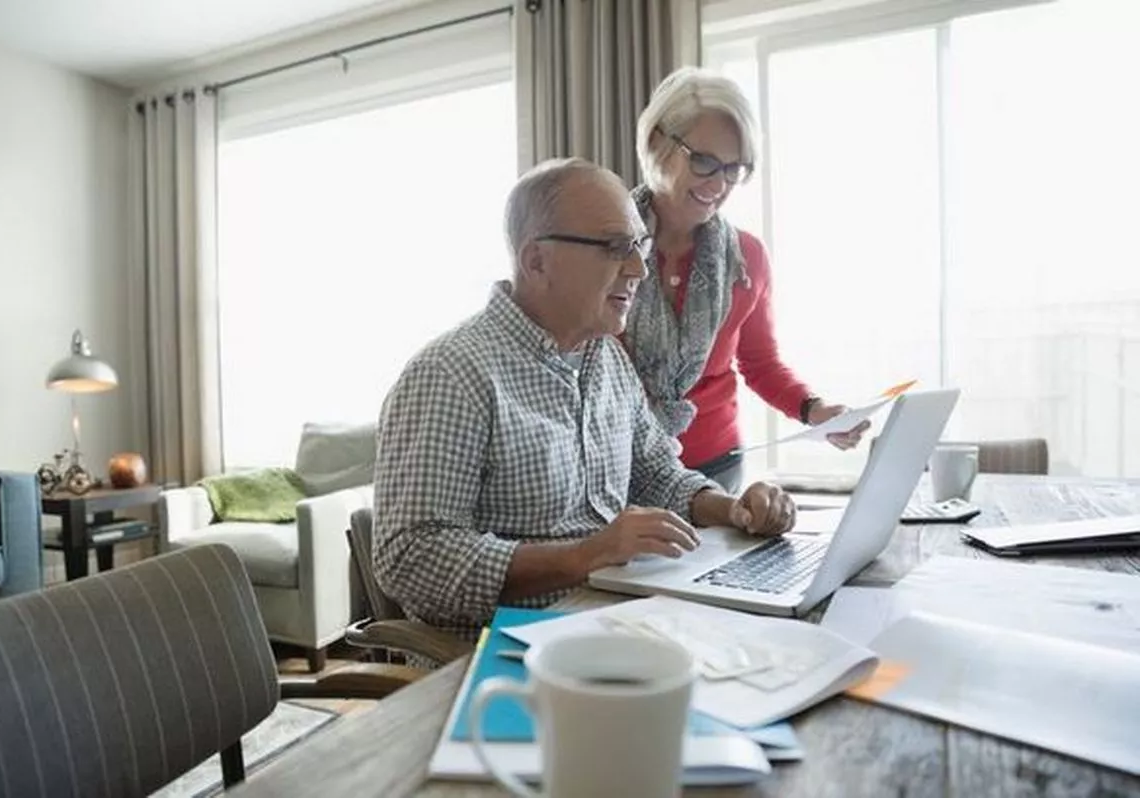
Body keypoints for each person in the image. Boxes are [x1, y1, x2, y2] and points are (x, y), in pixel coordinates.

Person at [372, 158, 797, 642]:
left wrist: (732, 508)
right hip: (505, 653)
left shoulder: (607, 360)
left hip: (615, 620)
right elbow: (410, 559)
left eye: (640, 245)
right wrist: (585, 555)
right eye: (616, 247)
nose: (639, 268)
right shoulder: (452, 374)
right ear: (537, 261)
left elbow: (657, 473)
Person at [624, 67, 869, 493]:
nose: (719, 184)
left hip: (718, 469)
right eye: (703, 162)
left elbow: (759, 363)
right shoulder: (606, 246)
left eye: (733, 169)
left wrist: (814, 411)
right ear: (656, 142)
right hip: (617, 466)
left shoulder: (747, 258)